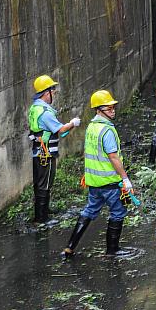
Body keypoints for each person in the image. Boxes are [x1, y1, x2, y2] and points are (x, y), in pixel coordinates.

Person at [61, 90, 136, 259]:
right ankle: (112, 250)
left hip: (94, 183)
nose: (112, 110)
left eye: (112, 107)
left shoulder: (92, 128)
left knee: (89, 211)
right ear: (98, 110)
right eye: (108, 108)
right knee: (118, 212)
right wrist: (125, 178)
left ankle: (70, 247)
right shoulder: (107, 131)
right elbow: (113, 157)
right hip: (110, 183)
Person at [27, 75, 80, 225]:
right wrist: (72, 123)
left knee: (40, 183)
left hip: (39, 151)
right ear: (46, 92)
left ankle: (43, 212)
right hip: (46, 153)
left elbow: (54, 131)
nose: (54, 94)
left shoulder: (35, 108)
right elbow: (61, 128)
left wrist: (65, 129)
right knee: (45, 183)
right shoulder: (45, 112)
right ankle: (41, 219)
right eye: (52, 91)